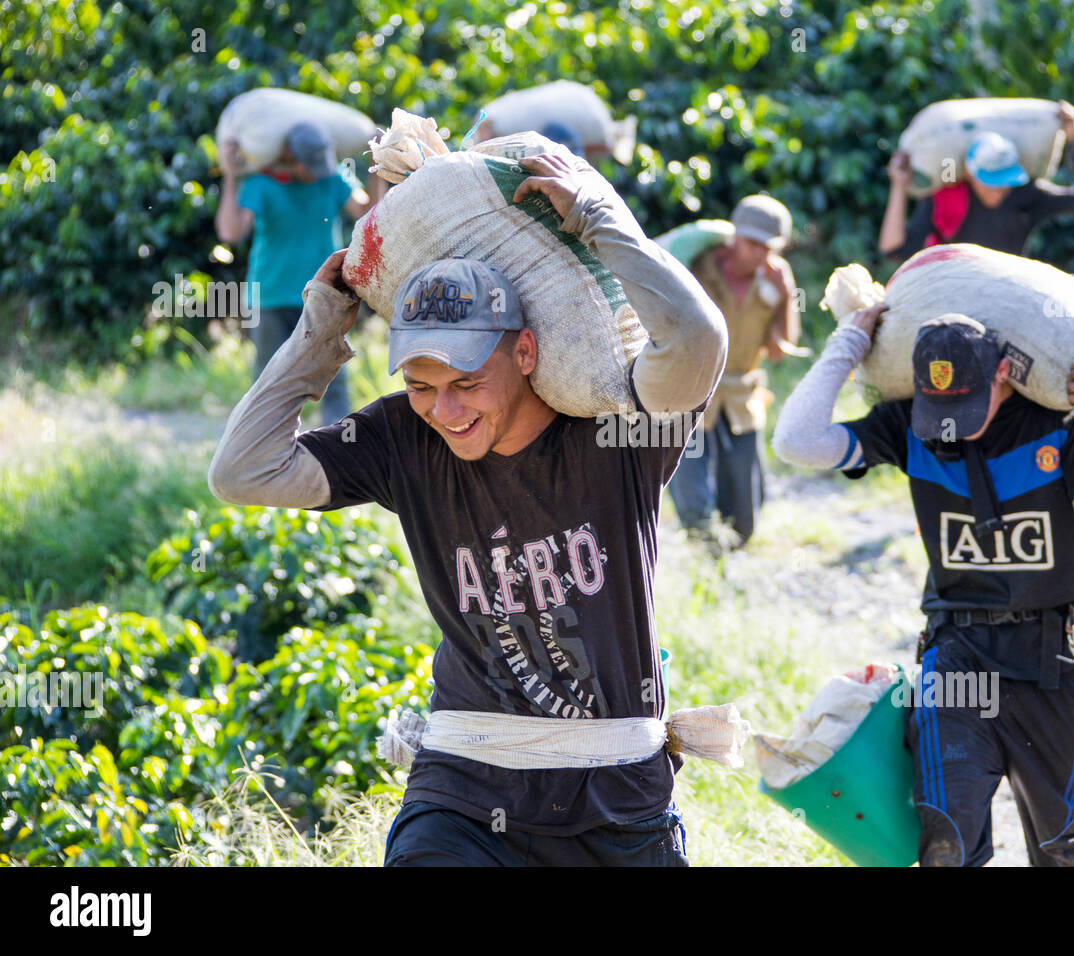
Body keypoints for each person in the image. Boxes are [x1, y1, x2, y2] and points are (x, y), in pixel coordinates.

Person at [207, 151, 727, 866]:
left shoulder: (614, 429)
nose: (445, 411)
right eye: (422, 384)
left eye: (467, 382)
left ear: (524, 352)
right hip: (464, 789)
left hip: (616, 798)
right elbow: (241, 471)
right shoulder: (400, 438)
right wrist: (319, 333)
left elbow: (699, 344)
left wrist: (601, 221)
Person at [772, 305, 1074, 867]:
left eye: (965, 404)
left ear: (1003, 373)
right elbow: (795, 441)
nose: (952, 421)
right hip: (957, 654)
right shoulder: (909, 428)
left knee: (1059, 845)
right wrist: (848, 340)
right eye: (940, 406)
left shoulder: (1056, 426)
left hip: (1051, 661)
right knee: (946, 841)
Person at [216, 121, 384, 424]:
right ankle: (262, 452)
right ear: (291, 157)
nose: (316, 173)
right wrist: (230, 174)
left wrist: (376, 166)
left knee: (333, 380)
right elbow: (230, 230)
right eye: (310, 166)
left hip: (324, 295)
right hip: (271, 296)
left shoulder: (332, 179)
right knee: (268, 381)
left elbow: (371, 214)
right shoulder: (262, 184)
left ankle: (339, 452)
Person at [667, 195, 800, 547]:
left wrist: (787, 297)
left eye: (767, 247)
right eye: (752, 242)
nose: (758, 253)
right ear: (734, 236)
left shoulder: (774, 281)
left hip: (741, 396)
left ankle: (732, 545)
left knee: (745, 513)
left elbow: (778, 351)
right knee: (691, 489)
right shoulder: (699, 267)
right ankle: (701, 548)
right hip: (691, 390)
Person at [879, 101, 1074, 260]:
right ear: (969, 173)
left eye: (1003, 181)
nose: (999, 190)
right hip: (956, 292)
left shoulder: (1025, 195)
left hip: (1007, 291)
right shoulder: (947, 199)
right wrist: (898, 186)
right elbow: (894, 249)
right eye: (990, 181)